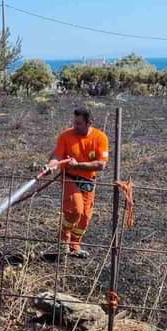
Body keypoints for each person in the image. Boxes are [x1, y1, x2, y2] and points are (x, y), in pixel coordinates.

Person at [46, 107, 109, 258]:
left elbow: (101, 165)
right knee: (75, 210)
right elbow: (57, 155)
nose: (75, 126)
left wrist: (78, 165)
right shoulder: (65, 136)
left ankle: (75, 246)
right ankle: (63, 241)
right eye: (74, 122)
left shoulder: (100, 138)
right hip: (70, 176)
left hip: (88, 180)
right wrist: (51, 165)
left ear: (89, 123)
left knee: (85, 217)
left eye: (79, 124)